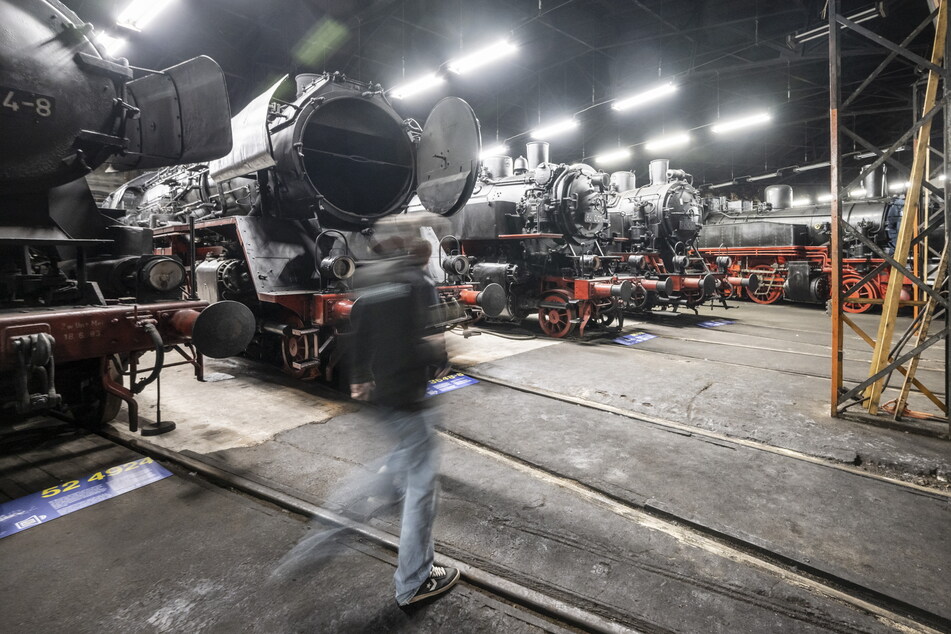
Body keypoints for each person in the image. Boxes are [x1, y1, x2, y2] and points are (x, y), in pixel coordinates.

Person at [346, 215, 459, 606]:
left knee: (402, 459)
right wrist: (440, 356)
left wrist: (360, 375)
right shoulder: (417, 282)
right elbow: (427, 338)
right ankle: (414, 580)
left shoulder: (373, 278)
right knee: (422, 488)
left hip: (383, 394)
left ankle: (363, 499)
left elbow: (357, 329)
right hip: (410, 397)